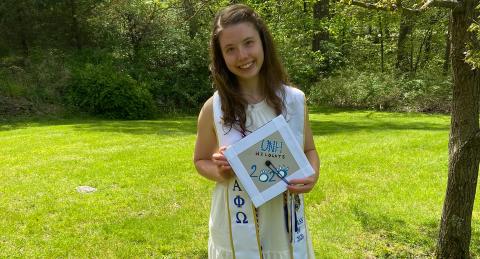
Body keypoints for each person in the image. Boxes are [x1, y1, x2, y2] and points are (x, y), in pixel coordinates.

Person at [193, 4, 320, 259]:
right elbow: (200, 160)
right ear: (221, 56)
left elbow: (308, 149)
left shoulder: (295, 101)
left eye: (248, 43)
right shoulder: (213, 107)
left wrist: (313, 175)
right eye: (230, 49)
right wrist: (218, 170)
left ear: (263, 42)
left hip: (283, 227)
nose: (242, 55)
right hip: (235, 226)